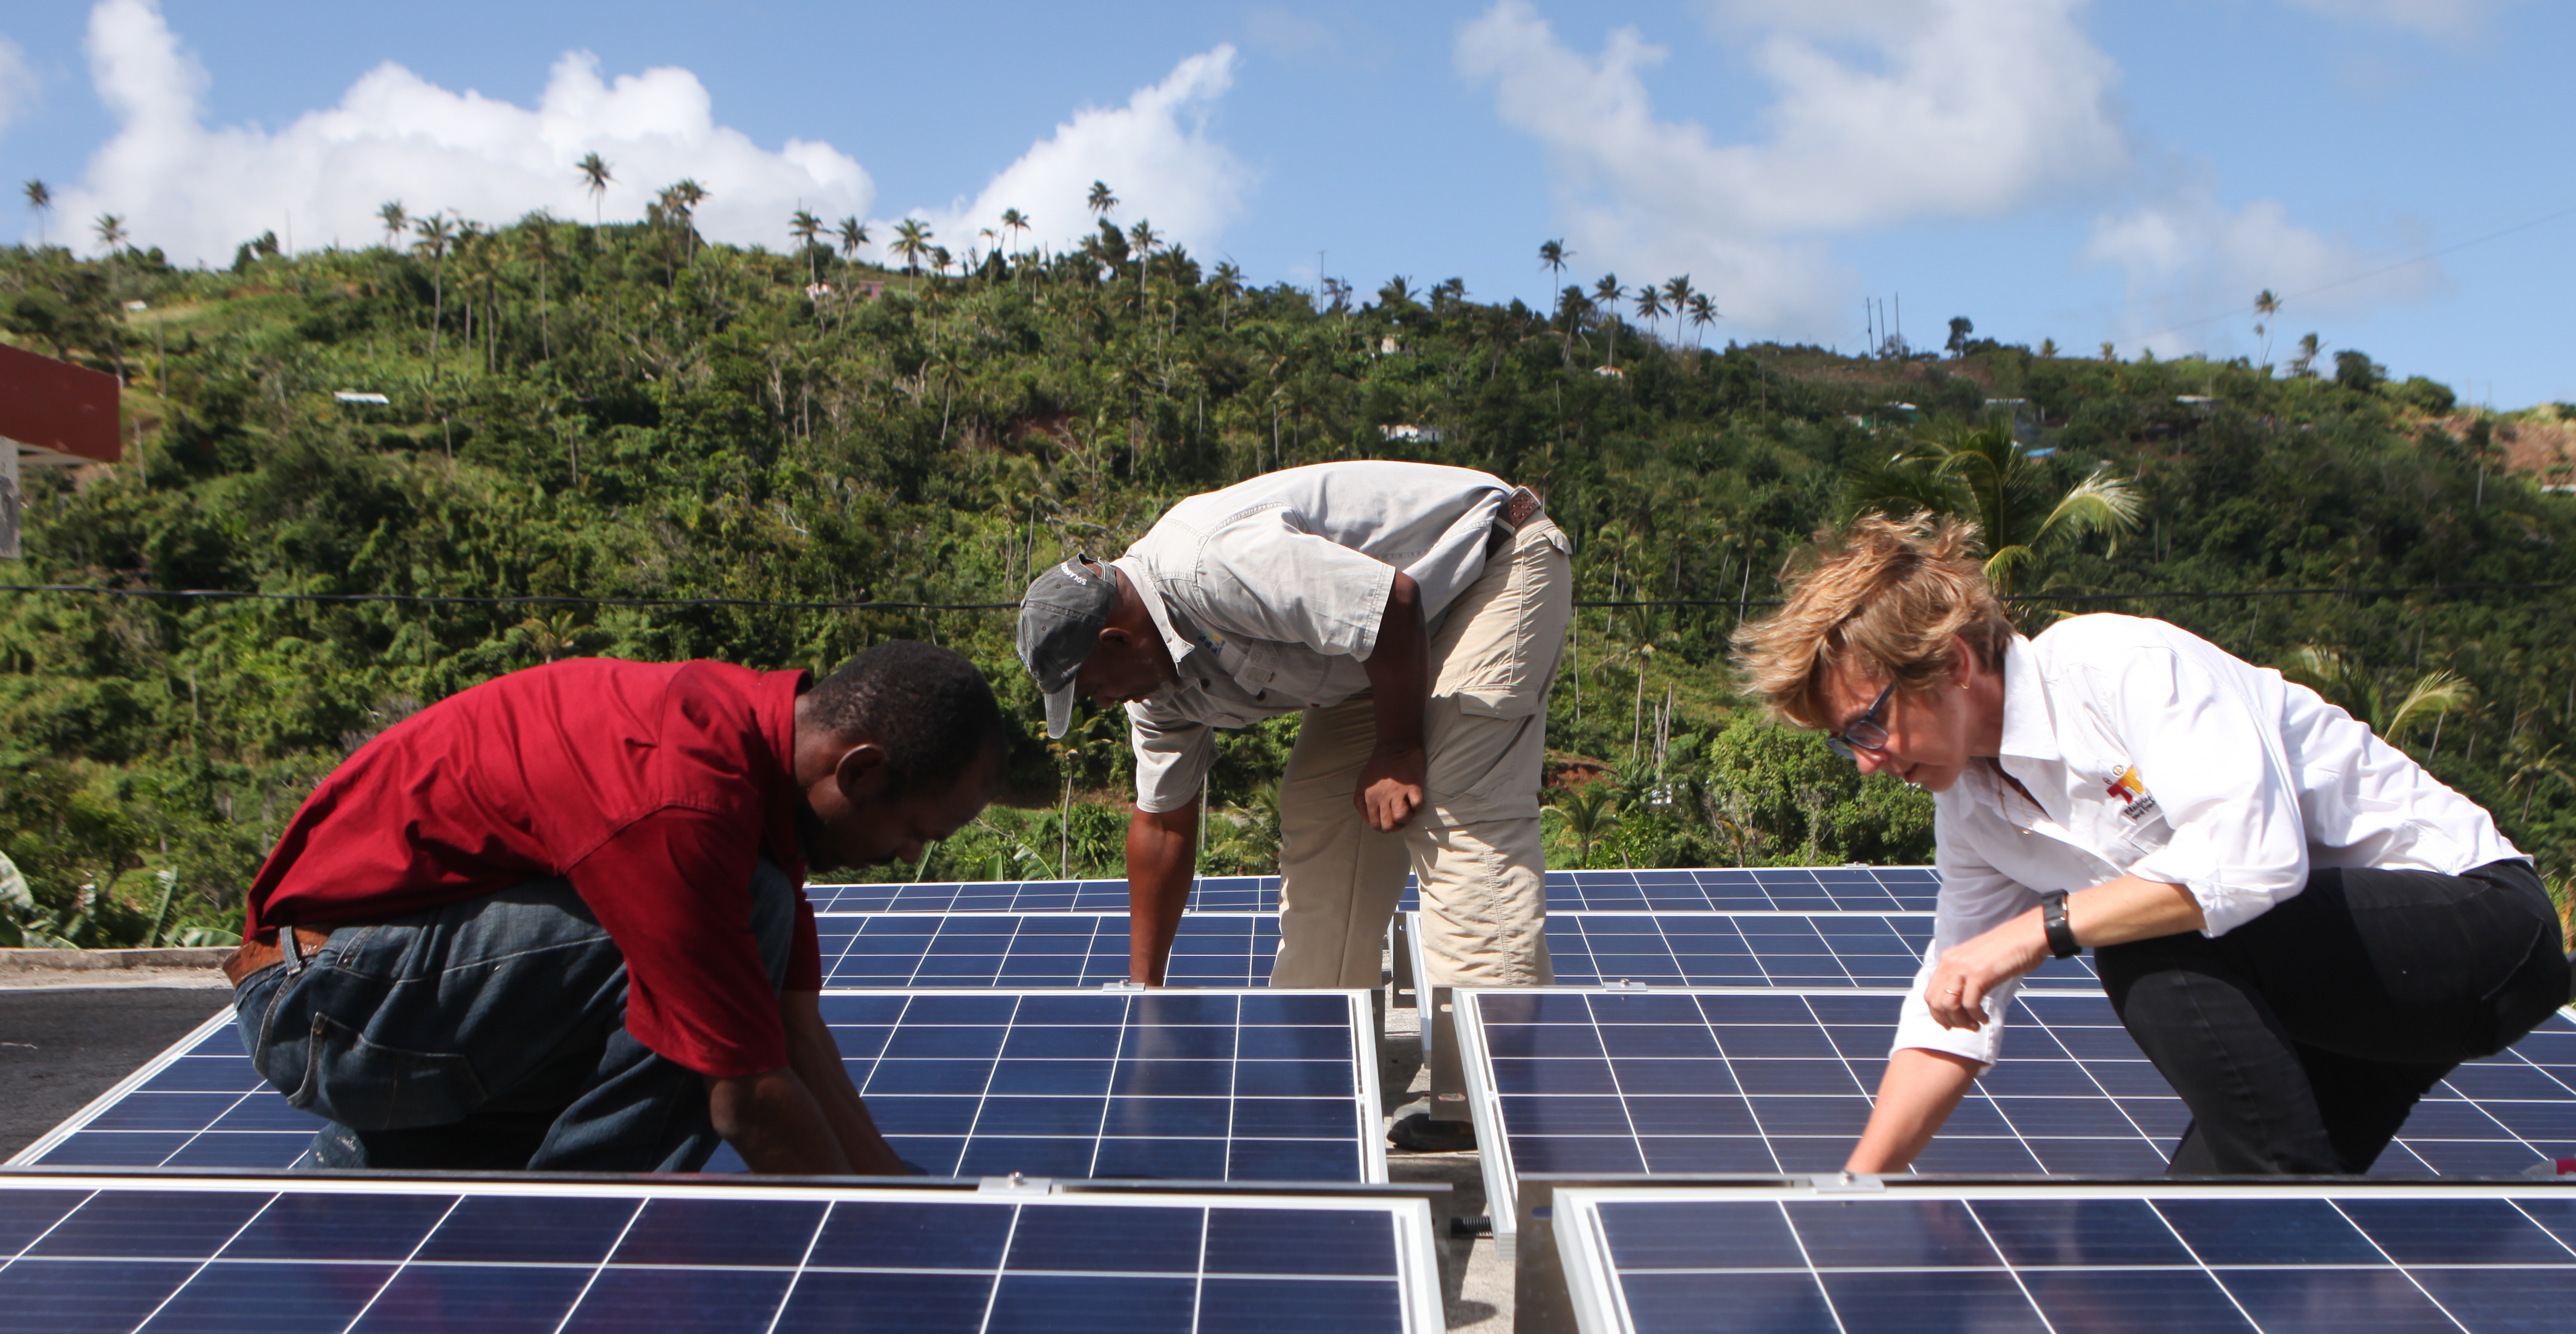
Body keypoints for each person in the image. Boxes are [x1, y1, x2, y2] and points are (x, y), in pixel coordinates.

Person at [1734, 514, 2572, 1176]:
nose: (1872, 763)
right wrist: (1855, 1187)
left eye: (1871, 724)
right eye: (1849, 744)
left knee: (2142, 946)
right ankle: (2494, 1222)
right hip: (2339, 1013)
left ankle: (2302, 1227)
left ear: (1951, 663)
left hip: (2476, 928)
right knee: (2201, 1250)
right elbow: (1953, 1004)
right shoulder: (1974, 812)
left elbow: (2253, 860)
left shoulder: (2113, 666)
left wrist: (2042, 928)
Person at [229, 640, 1004, 1176]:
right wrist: (878, 1259)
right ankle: (580, 1230)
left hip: (393, 991)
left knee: (731, 956)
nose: (909, 856)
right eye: (914, 832)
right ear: (860, 773)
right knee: (694, 991)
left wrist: (903, 1198)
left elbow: (797, 1034)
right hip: (318, 1006)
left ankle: (388, 1162)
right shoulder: (682, 800)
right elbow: (747, 1101)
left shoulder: (755, 767)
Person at [1016, 461, 1573, 1144]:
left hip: (1485, 575)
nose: (1107, 704)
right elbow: (1162, 824)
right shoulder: (1156, 686)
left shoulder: (1210, 564)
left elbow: (1395, 601)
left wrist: (1399, 749)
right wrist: (1145, 1004)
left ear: (1117, 640)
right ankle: (1328, 1069)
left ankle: (1486, 1106)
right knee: (1322, 817)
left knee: (1458, 812)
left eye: (1095, 689)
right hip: (1378, 648)